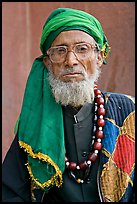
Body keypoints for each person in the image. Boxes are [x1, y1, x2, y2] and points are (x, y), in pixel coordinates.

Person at [2, 7, 135, 202]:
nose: (70, 61)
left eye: (82, 49)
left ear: (99, 57)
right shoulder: (35, 123)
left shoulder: (129, 112)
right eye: (60, 51)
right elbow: (11, 193)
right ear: (48, 63)